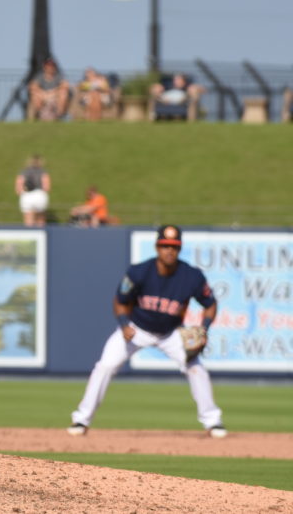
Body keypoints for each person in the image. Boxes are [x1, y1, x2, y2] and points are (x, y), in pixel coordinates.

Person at [67, 225, 226, 439]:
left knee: (197, 369)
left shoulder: (191, 276)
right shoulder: (139, 272)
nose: (169, 250)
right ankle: (81, 419)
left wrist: (204, 329)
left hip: (170, 334)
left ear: (179, 249)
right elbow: (120, 301)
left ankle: (213, 422)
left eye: (174, 246)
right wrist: (124, 324)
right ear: (157, 247)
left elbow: (210, 303)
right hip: (136, 329)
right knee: (105, 366)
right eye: (165, 245)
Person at [14, 154, 51, 227]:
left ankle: (30, 236)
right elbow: (46, 186)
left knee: (28, 219)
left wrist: (21, 192)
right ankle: (41, 236)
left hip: (26, 195)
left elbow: (19, 184)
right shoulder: (43, 172)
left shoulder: (24, 171)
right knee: (40, 219)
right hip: (40, 195)